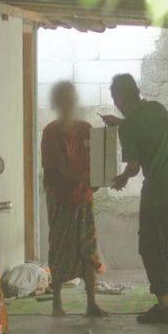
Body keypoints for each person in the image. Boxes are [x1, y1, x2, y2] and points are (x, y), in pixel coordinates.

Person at [102, 73, 168, 324]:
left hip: (160, 193)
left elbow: (134, 167)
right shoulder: (157, 108)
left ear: (119, 98)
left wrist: (122, 178)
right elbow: (145, 126)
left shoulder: (128, 128)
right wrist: (121, 123)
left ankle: (165, 306)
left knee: (152, 247)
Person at [40, 80, 107, 317]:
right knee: (60, 248)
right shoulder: (51, 132)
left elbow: (99, 158)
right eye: (64, 99)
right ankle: (57, 302)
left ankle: (91, 302)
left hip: (84, 197)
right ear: (57, 103)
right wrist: (85, 179)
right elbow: (57, 168)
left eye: (72, 99)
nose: (69, 104)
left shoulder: (86, 129)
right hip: (60, 198)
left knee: (88, 249)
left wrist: (99, 179)